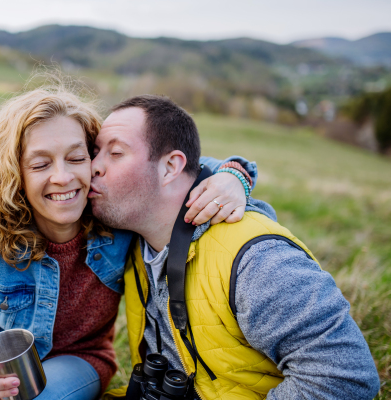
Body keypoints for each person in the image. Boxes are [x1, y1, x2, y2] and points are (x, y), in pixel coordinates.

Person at [0, 82, 270, 400]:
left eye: (77, 158)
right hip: (1, 358)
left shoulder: (115, 222)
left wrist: (234, 175)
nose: (63, 177)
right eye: (40, 164)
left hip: (81, 359)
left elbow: (173, 169)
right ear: (13, 174)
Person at [92, 95, 381, 400]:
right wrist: (234, 172)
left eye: (115, 153)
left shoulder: (256, 261)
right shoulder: (131, 240)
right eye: (95, 153)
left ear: (170, 167)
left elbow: (346, 376)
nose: (93, 167)